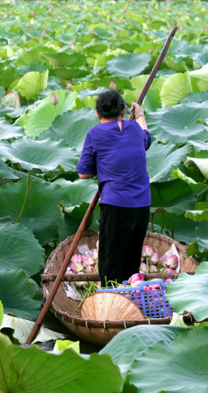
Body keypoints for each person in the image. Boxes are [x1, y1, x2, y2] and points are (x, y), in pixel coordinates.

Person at [76, 90, 151, 284]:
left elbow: (83, 173)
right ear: (123, 111)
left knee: (110, 267)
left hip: (116, 205)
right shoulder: (135, 128)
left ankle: (110, 298)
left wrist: (103, 166)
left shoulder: (94, 133)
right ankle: (130, 298)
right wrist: (140, 115)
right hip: (142, 205)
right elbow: (147, 139)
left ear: (98, 113)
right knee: (131, 265)